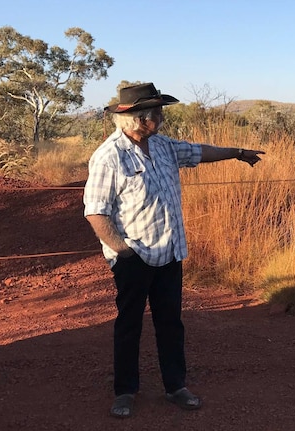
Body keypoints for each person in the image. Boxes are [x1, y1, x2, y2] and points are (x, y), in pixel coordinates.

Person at [83, 82, 264, 418]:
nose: (161, 116)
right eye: (156, 111)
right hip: (134, 257)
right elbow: (96, 212)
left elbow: (199, 152)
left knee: (170, 323)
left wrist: (237, 153)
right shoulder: (109, 157)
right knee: (129, 325)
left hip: (169, 253)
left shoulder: (163, 146)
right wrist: (123, 253)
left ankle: (175, 387)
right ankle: (125, 392)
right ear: (138, 118)